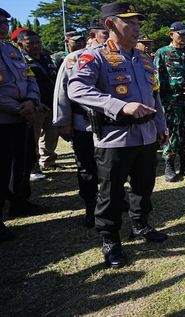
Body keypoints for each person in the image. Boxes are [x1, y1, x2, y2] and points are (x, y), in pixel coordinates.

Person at [67, 2, 168, 268]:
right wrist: (120, 106)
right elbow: (76, 90)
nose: (136, 28)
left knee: (143, 187)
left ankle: (141, 225)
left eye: (138, 23)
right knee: (111, 193)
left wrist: (161, 127)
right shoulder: (94, 56)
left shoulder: (145, 59)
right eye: (130, 22)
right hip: (114, 138)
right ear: (110, 25)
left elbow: (155, 97)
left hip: (146, 136)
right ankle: (110, 241)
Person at [52, 19, 108, 228]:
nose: (108, 37)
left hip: (110, 125)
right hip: (84, 124)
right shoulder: (74, 58)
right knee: (87, 167)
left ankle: (111, 201)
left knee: (110, 167)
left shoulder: (116, 57)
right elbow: (62, 91)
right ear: (92, 36)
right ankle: (90, 206)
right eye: (104, 33)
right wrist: (63, 122)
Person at [0, 8, 42, 240]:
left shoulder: (12, 51)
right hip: (4, 118)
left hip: (22, 116)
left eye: (5, 21)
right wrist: (18, 107)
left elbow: (29, 78)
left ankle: (20, 202)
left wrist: (31, 100)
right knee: (2, 169)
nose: (4, 25)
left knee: (24, 162)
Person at [154, 21, 185, 182]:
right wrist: (159, 101)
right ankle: (169, 165)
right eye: (180, 34)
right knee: (172, 133)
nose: (183, 37)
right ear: (171, 35)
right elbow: (156, 78)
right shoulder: (163, 53)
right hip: (171, 101)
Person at [16, 30, 60, 180]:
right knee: (32, 139)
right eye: (30, 43)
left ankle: (48, 161)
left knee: (52, 135)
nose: (36, 46)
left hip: (51, 103)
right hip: (35, 106)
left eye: (38, 42)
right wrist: (36, 102)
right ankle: (33, 167)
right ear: (20, 44)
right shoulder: (21, 61)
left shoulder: (46, 57)